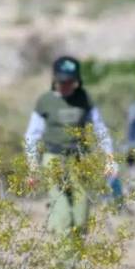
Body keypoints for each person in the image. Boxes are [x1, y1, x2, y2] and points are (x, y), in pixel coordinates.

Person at [23, 56, 116, 234]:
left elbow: (100, 129)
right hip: (53, 159)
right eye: (61, 81)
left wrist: (109, 159)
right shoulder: (45, 101)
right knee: (62, 215)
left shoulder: (84, 98)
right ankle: (62, 260)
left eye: (70, 81)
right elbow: (32, 135)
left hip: (80, 160)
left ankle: (74, 258)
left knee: (81, 217)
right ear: (54, 80)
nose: (65, 85)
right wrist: (32, 166)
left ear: (76, 81)